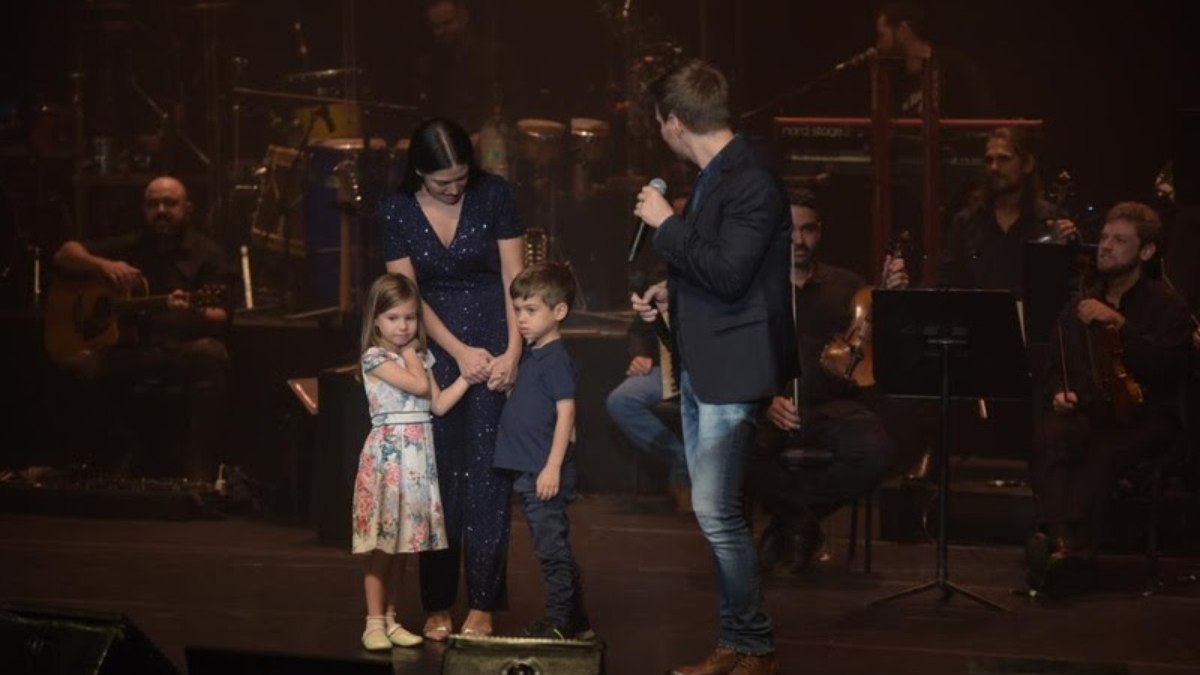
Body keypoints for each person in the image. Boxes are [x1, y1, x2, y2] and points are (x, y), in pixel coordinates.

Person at [631, 59, 793, 675]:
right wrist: (670, 295)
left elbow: (729, 273)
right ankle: (734, 643)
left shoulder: (750, 180)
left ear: (673, 122)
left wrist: (666, 224)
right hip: (706, 360)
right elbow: (721, 271)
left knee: (716, 512)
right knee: (716, 513)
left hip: (733, 367)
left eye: (658, 124)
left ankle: (752, 644)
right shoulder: (714, 176)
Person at [378, 117, 524, 639]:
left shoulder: (495, 195)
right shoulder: (395, 210)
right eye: (443, 182)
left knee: (488, 480)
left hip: (495, 341)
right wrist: (458, 351)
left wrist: (512, 351)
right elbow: (408, 294)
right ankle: (437, 601)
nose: (455, 188)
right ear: (419, 172)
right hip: (435, 348)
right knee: (436, 480)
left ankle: (483, 603)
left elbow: (515, 278)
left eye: (462, 177)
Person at [1025, 202, 1193, 596]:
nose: (1105, 246)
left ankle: (1064, 552)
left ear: (1146, 252)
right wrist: (1059, 393)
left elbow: (1169, 367)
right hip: (1091, 410)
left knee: (1099, 448)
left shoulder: (1167, 305)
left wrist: (1119, 324)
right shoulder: (1078, 305)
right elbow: (1055, 364)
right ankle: (1064, 546)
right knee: (1051, 436)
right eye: (1103, 238)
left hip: (1147, 419)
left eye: (1119, 240)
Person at [747, 190, 897, 574]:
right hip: (772, 406)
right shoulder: (754, 286)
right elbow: (737, 353)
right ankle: (799, 523)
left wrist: (892, 300)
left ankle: (794, 521)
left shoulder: (848, 285)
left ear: (820, 232)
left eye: (808, 230)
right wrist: (765, 400)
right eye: (789, 231)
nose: (798, 240)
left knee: (874, 451)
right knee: (731, 452)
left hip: (834, 407)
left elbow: (876, 348)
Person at [51, 175, 235, 481]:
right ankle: (118, 449)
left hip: (177, 351)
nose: (161, 210)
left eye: (170, 203)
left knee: (212, 354)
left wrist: (191, 312)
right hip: (127, 351)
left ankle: (199, 469)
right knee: (72, 367)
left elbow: (220, 316)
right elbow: (64, 254)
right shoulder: (128, 246)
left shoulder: (208, 254)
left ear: (188, 209)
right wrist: (104, 266)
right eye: (153, 204)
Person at [352, 272, 476, 650]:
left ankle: (391, 619)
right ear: (376, 319)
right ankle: (373, 621)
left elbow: (436, 403)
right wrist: (410, 355)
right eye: (393, 318)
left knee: (404, 546)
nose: (403, 326)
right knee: (381, 547)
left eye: (409, 318)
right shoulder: (375, 356)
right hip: (389, 457)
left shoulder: (420, 356)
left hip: (418, 459)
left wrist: (469, 378)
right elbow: (419, 386)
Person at [492, 262, 595, 640]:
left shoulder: (557, 360)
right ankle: (577, 621)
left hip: (542, 472)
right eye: (518, 309)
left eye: (531, 310)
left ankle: (558, 620)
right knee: (554, 546)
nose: (521, 318)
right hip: (529, 469)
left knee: (552, 550)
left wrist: (551, 468)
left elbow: (567, 414)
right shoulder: (534, 356)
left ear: (559, 312)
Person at [605, 285, 690, 515]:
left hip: (710, 370)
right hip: (666, 369)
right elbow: (639, 329)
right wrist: (640, 354)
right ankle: (680, 461)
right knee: (621, 400)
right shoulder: (661, 282)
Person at [407, 0, 527, 133]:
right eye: (436, 27)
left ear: (464, 18)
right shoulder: (429, 64)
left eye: (447, 23)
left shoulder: (497, 55)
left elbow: (517, 106)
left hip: (490, 143)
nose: (441, 31)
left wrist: (488, 135)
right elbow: (426, 113)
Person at [873, 2, 996, 119]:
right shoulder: (895, 77)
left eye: (881, 35)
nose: (879, 46)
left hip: (950, 140)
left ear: (903, 30)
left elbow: (982, 113)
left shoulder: (954, 67)